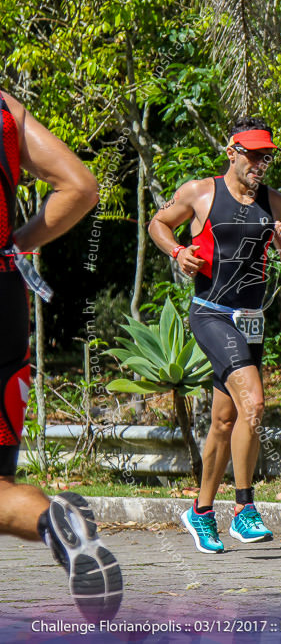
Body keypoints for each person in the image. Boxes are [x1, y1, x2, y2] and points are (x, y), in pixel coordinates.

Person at [148, 117, 281, 553]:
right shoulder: (201, 193)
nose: (260, 162)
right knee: (253, 402)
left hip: (250, 320)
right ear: (232, 152)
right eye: (252, 154)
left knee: (224, 419)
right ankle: (244, 508)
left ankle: (200, 513)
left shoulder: (276, 205)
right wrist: (179, 251)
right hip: (211, 314)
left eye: (266, 156)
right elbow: (157, 225)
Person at [0, 90, 122, 621]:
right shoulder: (6, 107)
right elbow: (81, 186)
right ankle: (57, 522)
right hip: (4, 301)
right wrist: (15, 243)